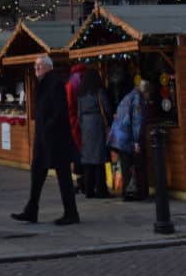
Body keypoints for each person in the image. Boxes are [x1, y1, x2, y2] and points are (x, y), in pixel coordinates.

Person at [11, 54, 80, 225]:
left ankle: (71, 213)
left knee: (63, 176)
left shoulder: (55, 84)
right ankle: (31, 210)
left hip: (56, 139)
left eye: (40, 66)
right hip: (44, 139)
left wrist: (48, 128)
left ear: (49, 67)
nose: (37, 69)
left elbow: (59, 111)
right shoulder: (42, 84)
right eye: (35, 66)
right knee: (37, 174)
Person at [107, 79, 150, 200]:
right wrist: (136, 141)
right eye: (148, 94)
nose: (148, 97)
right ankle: (134, 194)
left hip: (118, 136)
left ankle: (128, 193)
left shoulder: (129, 95)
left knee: (126, 165)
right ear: (145, 92)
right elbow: (137, 121)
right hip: (126, 137)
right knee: (133, 165)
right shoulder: (137, 99)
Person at [77, 68, 111, 198]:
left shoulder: (81, 93)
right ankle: (101, 190)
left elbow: (79, 113)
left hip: (85, 125)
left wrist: (82, 126)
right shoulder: (98, 91)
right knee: (99, 159)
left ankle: (89, 190)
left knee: (88, 160)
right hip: (96, 123)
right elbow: (106, 108)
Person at [65, 62, 86, 194]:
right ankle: (83, 182)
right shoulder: (84, 83)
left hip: (73, 123)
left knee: (77, 153)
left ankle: (80, 182)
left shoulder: (70, 84)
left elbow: (68, 105)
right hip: (79, 122)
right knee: (80, 153)